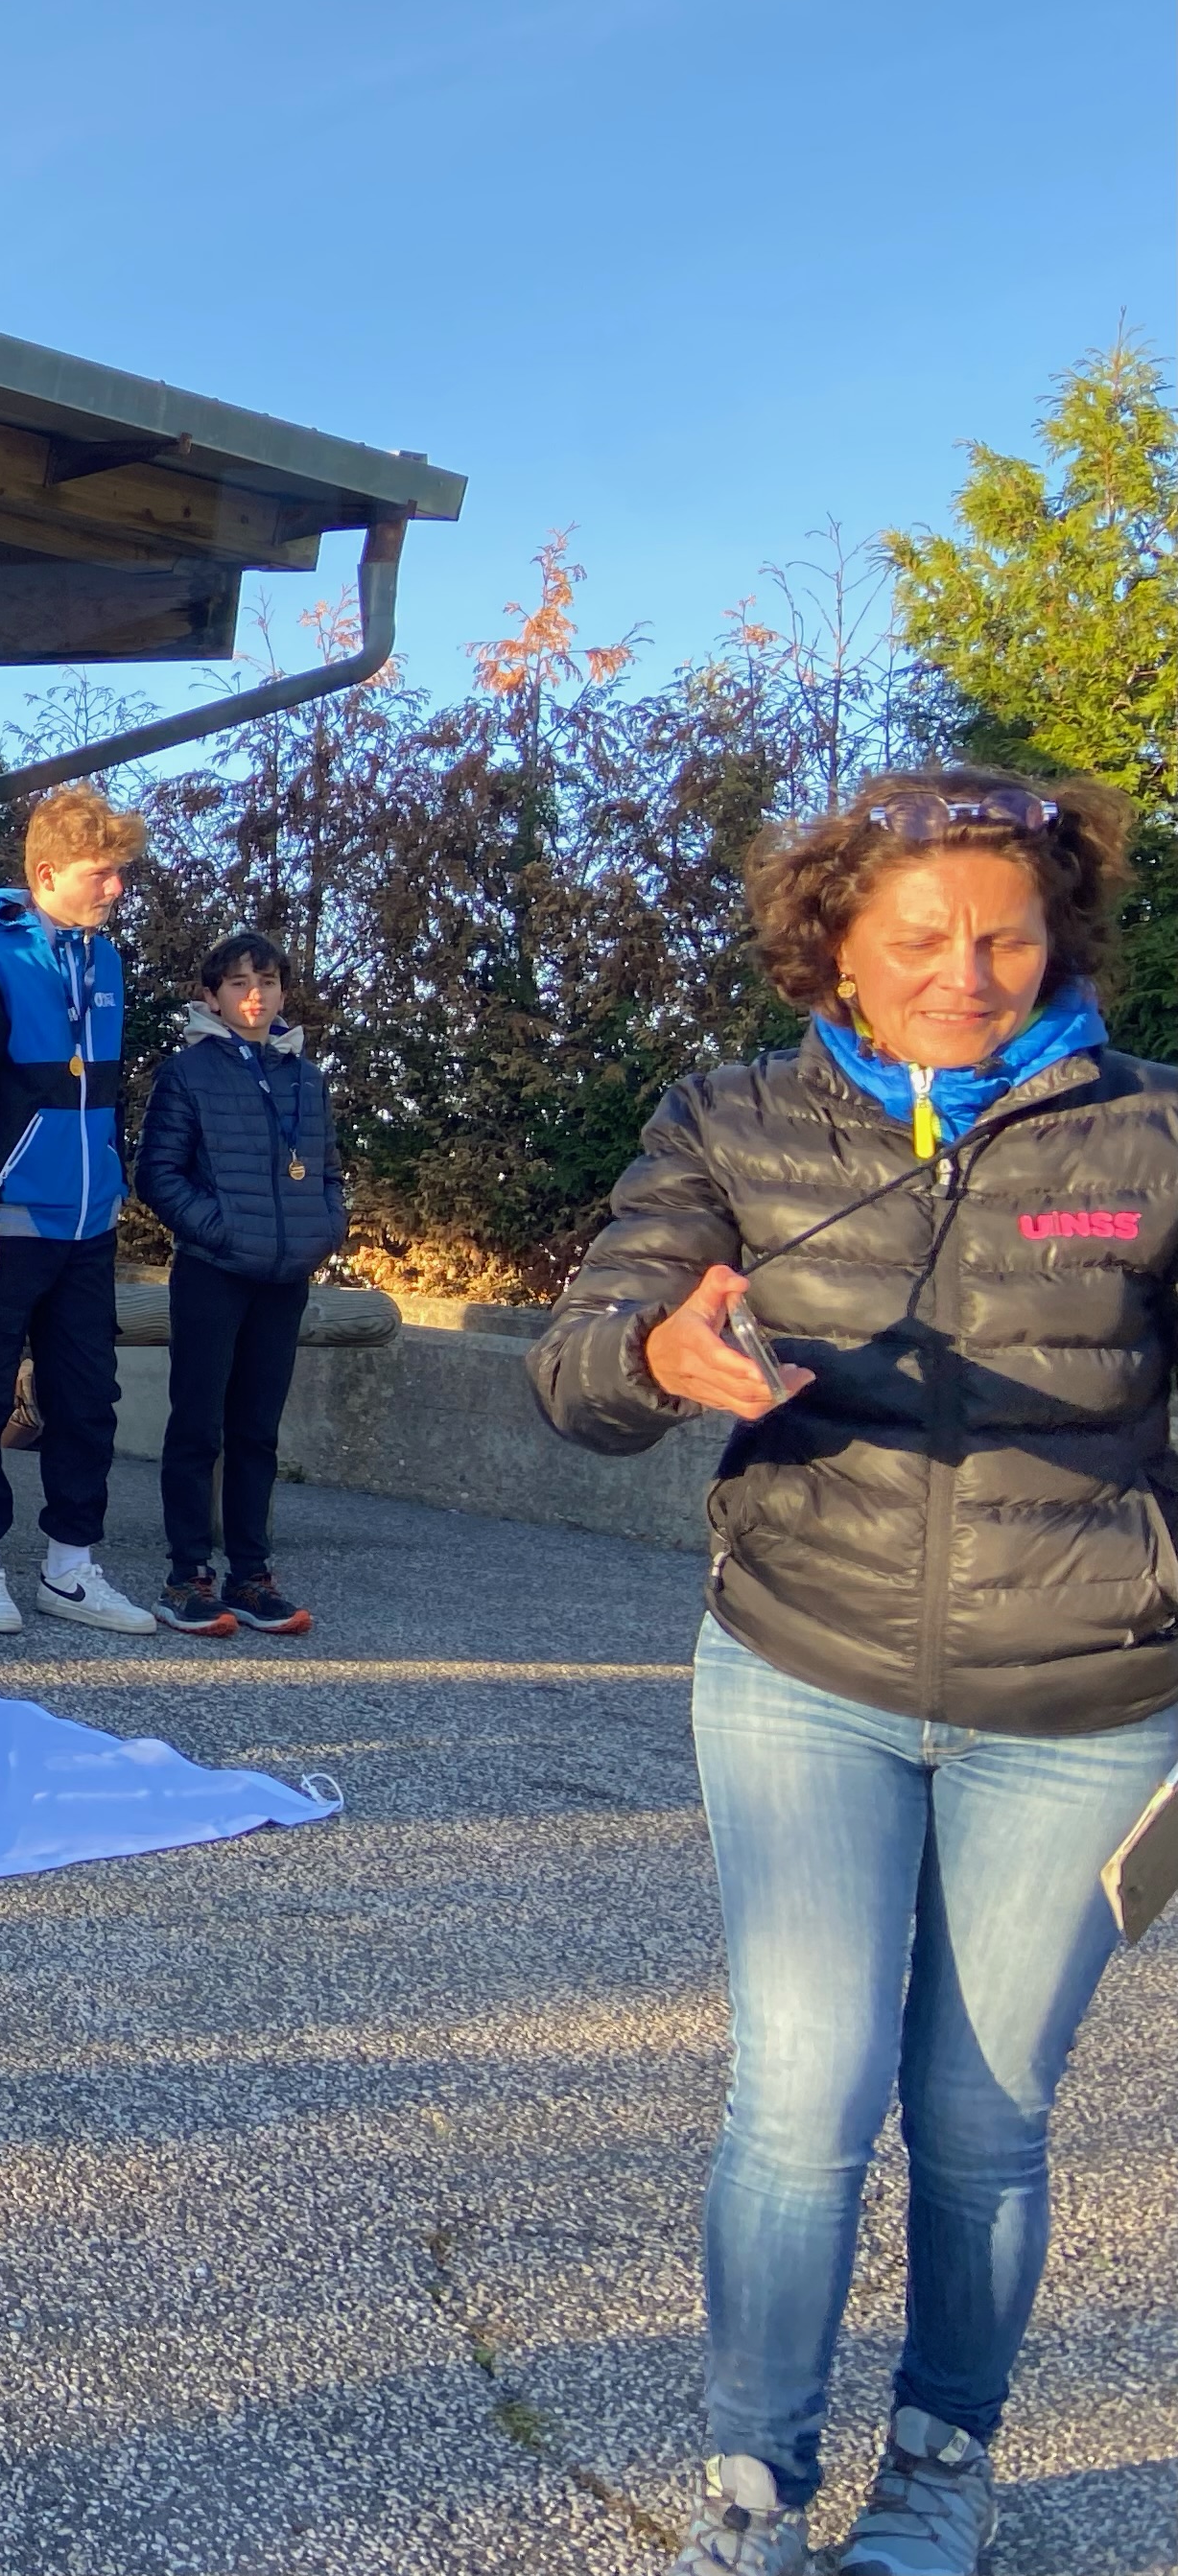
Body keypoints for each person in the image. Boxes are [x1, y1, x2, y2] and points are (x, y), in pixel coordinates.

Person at [533, 769, 1178, 2576]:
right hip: (799, 1669)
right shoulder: (729, 1119)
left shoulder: (1154, 1135)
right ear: (835, 942)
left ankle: (936, 2471)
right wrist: (661, 1344)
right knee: (803, 2095)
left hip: (1082, 1702)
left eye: (1003, 936)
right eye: (917, 938)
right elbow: (579, 1373)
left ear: (1058, 939)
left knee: (983, 2115)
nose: (960, 971)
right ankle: (752, 2493)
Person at [0, 782, 156, 1636]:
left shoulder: (106, 963)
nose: (117, 888)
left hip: (89, 1223)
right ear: (49, 870)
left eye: (122, 873)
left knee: (87, 1395)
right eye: (104, 872)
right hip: (9, 1222)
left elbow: (104, 1096)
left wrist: (112, 1177)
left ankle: (70, 1567)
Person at [135, 930, 342, 1641]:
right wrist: (221, 1231)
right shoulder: (187, 1074)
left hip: (283, 1279)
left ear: (284, 990)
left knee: (257, 1433)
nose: (255, 995)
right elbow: (157, 1175)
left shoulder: (305, 1078)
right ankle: (186, 1576)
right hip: (214, 1273)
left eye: (269, 981)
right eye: (238, 983)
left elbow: (328, 1175)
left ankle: (250, 1574)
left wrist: (323, 1231)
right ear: (212, 996)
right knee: (198, 1428)